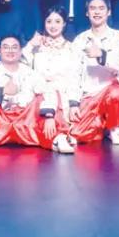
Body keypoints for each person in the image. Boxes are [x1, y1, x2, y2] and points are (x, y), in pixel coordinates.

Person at [0, 36, 75, 156]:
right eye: (6, 47)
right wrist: (2, 91)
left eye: (14, 47)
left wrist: (49, 117)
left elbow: (48, 91)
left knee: (47, 97)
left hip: (26, 123)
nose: (10, 51)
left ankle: (58, 138)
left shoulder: (30, 73)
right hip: (0, 124)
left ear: (20, 51)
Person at [68, 0, 119, 145]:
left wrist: (102, 55)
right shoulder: (79, 40)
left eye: (101, 8)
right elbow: (73, 73)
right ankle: (100, 124)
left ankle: (114, 126)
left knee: (117, 93)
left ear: (109, 12)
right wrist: (73, 103)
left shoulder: (118, 37)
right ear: (87, 13)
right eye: (92, 8)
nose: (97, 12)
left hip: (111, 90)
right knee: (78, 134)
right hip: (89, 94)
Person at [22, 7, 82, 140]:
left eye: (57, 21)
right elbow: (22, 67)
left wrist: (74, 104)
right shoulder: (36, 47)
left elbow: (75, 78)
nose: (53, 26)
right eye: (49, 21)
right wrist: (30, 45)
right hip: (38, 96)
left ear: (64, 24)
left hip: (62, 96)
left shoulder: (71, 48)